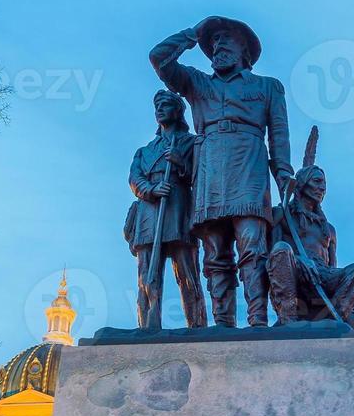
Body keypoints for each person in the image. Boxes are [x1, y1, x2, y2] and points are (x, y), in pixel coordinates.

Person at [150, 17, 292, 327]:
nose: (218, 46)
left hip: (249, 163)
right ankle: (223, 323)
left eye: (226, 39)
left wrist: (283, 172)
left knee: (252, 244)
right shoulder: (198, 83)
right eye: (213, 41)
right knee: (214, 253)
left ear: (245, 49)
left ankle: (258, 319)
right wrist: (191, 34)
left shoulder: (268, 87)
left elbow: (278, 134)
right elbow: (158, 58)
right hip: (210, 166)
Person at [268, 127, 354, 336]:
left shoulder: (328, 229)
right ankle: (289, 319)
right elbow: (273, 254)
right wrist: (299, 258)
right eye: (317, 182)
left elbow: (333, 266)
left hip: (322, 274)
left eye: (324, 184)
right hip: (294, 269)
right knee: (281, 248)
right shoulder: (284, 216)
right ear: (303, 185)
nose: (322, 188)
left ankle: (334, 319)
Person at [124, 90, 205, 329]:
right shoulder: (145, 151)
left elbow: (200, 175)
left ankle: (197, 326)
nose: (159, 109)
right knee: (147, 277)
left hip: (179, 208)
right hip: (149, 212)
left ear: (177, 111)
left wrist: (181, 163)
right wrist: (150, 189)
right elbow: (134, 178)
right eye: (157, 105)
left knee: (187, 274)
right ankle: (148, 327)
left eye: (166, 104)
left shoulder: (191, 142)